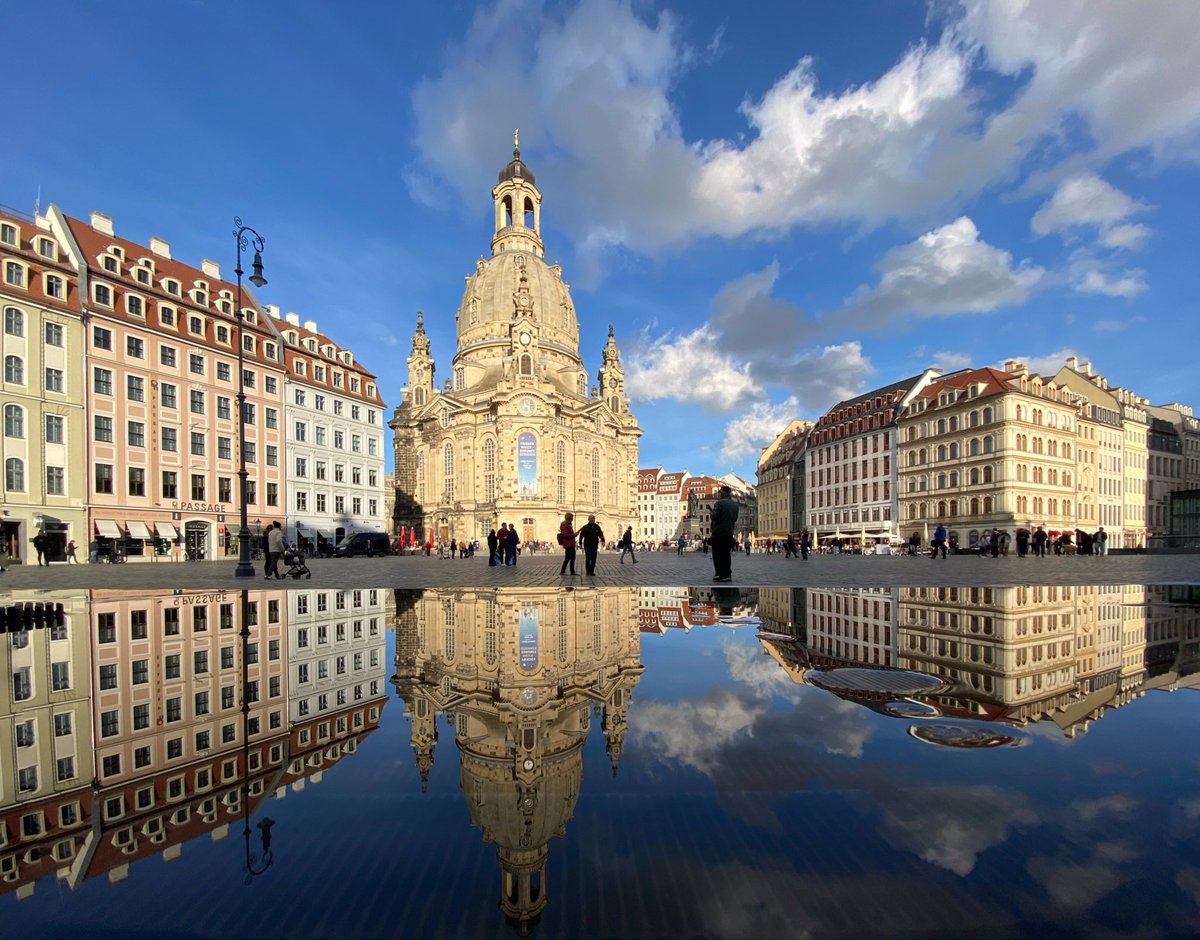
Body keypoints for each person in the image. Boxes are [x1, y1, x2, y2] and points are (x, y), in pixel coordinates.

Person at [709, 485, 738, 583]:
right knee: (726, 554)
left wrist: (712, 512)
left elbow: (714, 516)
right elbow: (734, 519)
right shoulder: (735, 505)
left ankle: (719, 574)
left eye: (719, 492)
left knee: (717, 555)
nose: (718, 494)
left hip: (718, 532)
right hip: (729, 532)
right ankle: (727, 575)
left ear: (723, 493)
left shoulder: (719, 503)